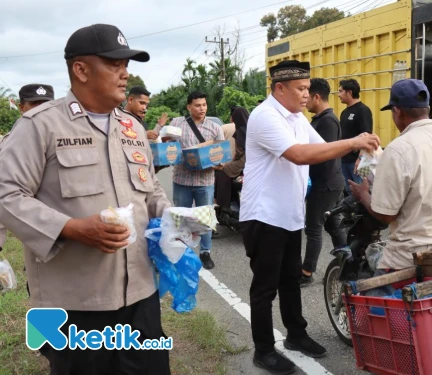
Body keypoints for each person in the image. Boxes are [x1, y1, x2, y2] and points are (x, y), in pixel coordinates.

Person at [0, 24, 171, 374]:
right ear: (80, 69)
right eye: (114, 64)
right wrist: (72, 228)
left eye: (127, 64)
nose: (125, 73)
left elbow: (150, 189)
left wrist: (175, 219)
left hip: (140, 294)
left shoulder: (132, 127)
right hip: (75, 304)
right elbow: (6, 193)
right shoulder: (40, 126)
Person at [240, 59, 380, 374]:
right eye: (300, 88)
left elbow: (325, 148)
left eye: (307, 88)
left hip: (288, 214)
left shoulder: (296, 117)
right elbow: (300, 154)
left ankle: (296, 334)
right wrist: (354, 141)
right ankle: (263, 350)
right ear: (279, 88)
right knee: (265, 286)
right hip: (263, 216)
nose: (307, 94)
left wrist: (363, 153)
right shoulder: (265, 116)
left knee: (291, 279)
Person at [349, 79, 432, 277]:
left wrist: (363, 193)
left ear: (397, 111)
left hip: (411, 258)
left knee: (370, 300)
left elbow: (386, 214)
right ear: (427, 108)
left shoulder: (399, 149)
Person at [165, 91, 224, 269]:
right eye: (198, 105)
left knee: (205, 219)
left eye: (204, 105)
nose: (202, 108)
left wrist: (218, 164)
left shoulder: (215, 128)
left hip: (205, 182)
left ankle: (205, 252)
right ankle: (180, 252)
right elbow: (167, 146)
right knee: (181, 218)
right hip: (181, 179)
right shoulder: (177, 124)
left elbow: (220, 154)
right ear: (189, 106)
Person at [300, 78, 347, 286]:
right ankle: (347, 262)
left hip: (325, 183)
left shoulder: (327, 121)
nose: (304, 100)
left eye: (307, 95)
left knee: (313, 227)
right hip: (330, 182)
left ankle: (307, 272)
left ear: (317, 97)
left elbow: (324, 154)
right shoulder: (321, 119)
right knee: (332, 225)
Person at [0, 83, 55, 253]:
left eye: (45, 104)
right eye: (34, 104)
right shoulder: (10, 140)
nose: (40, 110)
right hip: (28, 217)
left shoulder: (68, 138)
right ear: (21, 107)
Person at [338, 78, 373, 194]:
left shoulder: (363, 110)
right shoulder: (344, 112)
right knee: (349, 191)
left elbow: (366, 136)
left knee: (361, 192)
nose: (338, 95)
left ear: (349, 92)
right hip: (344, 161)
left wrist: (360, 159)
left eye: (340, 91)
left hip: (356, 162)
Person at [215, 106, 248, 212]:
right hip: (251, 162)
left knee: (222, 171)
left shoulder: (239, 132)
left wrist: (228, 163)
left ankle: (223, 203)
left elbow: (239, 153)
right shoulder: (252, 129)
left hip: (242, 162)